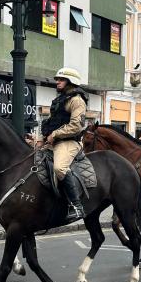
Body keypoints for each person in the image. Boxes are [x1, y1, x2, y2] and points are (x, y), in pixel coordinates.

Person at [40, 67, 89, 222]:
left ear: (71, 82)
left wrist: (54, 134)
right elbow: (51, 123)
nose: (58, 82)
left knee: (59, 168)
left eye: (61, 79)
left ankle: (76, 206)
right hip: (54, 141)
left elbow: (76, 126)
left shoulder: (77, 101)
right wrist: (41, 138)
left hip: (69, 142)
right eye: (57, 79)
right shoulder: (59, 100)